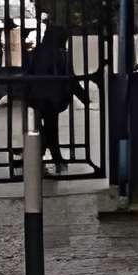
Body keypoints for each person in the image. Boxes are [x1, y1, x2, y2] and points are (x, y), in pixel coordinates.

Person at [22, 22, 89, 171]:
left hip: (37, 97)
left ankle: (41, 155)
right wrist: (84, 97)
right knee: (51, 129)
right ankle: (52, 158)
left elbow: (29, 72)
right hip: (53, 99)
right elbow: (70, 78)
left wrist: (26, 94)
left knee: (47, 128)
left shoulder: (39, 50)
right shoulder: (60, 53)